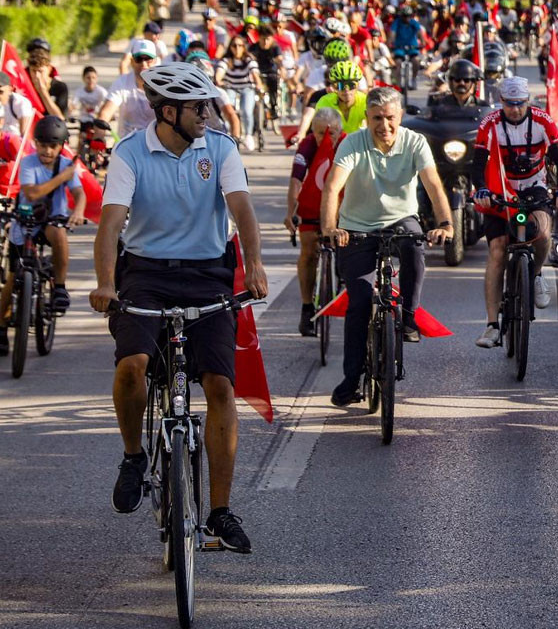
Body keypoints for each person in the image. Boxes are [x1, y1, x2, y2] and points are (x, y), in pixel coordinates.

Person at [89, 62, 268, 553]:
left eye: (208, 105)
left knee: (220, 385)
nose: (207, 114)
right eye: (197, 107)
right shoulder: (130, 154)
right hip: (145, 273)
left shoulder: (221, 148)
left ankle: (220, 512)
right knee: (133, 366)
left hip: (209, 270)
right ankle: (132, 456)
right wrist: (106, 283)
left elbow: (242, 210)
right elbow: (110, 226)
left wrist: (252, 265)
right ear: (168, 112)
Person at [319, 87, 454, 405]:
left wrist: (446, 224)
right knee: (360, 303)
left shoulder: (414, 141)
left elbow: (433, 184)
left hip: (400, 220)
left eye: (390, 118)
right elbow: (332, 187)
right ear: (366, 118)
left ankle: (408, 315)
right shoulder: (353, 142)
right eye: (377, 118)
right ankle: (351, 379)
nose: (384, 125)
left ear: (400, 117)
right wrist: (329, 228)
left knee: (414, 246)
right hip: (356, 229)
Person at [471, 77, 558, 348]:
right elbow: (478, 163)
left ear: (528, 101)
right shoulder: (490, 123)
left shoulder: (542, 120)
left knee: (542, 230)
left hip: (534, 186)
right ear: (501, 102)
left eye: (520, 104)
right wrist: (481, 189)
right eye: (509, 104)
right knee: (497, 249)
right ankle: (492, 325)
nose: (515, 109)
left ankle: (536, 274)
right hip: (500, 189)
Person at [0, 116, 86, 355]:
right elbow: (33, 192)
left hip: (51, 220)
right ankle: (1, 325)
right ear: (35, 143)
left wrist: (78, 211)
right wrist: (62, 178)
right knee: (12, 277)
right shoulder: (29, 163)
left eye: (53, 146)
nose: (47, 151)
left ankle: (59, 287)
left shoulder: (66, 165)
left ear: (61, 147)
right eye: (42, 145)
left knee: (59, 234)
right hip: (26, 220)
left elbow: (79, 193)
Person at [286, 108, 345, 336]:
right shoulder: (307, 145)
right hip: (312, 204)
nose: (326, 138)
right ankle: (306, 307)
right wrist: (291, 212)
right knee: (308, 252)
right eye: (321, 133)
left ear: (340, 131)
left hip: (341, 206)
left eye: (332, 133)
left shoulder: (347, 143)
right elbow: (295, 181)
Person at [98, 40, 160, 137]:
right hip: (126, 146)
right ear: (131, 61)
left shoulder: (163, 84)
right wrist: (99, 138)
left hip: (155, 145)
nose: (143, 64)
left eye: (148, 59)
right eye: (139, 59)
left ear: (155, 61)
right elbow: (105, 112)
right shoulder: (122, 82)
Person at [219, 35, 265, 152]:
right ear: (230, 47)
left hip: (246, 87)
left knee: (246, 110)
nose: (237, 48)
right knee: (228, 109)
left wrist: (259, 85)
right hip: (230, 87)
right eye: (234, 46)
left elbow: (255, 74)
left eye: (240, 45)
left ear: (244, 47)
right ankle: (229, 134)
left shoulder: (249, 59)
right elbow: (220, 71)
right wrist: (218, 80)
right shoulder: (226, 60)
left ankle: (248, 135)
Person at [314, 61, 367, 135]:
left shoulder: (365, 101)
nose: (346, 90)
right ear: (333, 87)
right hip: (335, 143)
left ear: (358, 85)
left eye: (351, 85)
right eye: (340, 85)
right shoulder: (324, 102)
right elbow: (319, 132)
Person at [24, 38, 69, 119]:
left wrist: (43, 92)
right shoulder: (23, 87)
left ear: (49, 69)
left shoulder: (60, 87)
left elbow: (60, 119)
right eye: (34, 71)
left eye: (40, 71)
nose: (37, 76)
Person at [0, 73, 36, 141]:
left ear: (10, 90)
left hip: (14, 144)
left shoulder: (21, 103)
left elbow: (25, 137)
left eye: (0, 92)